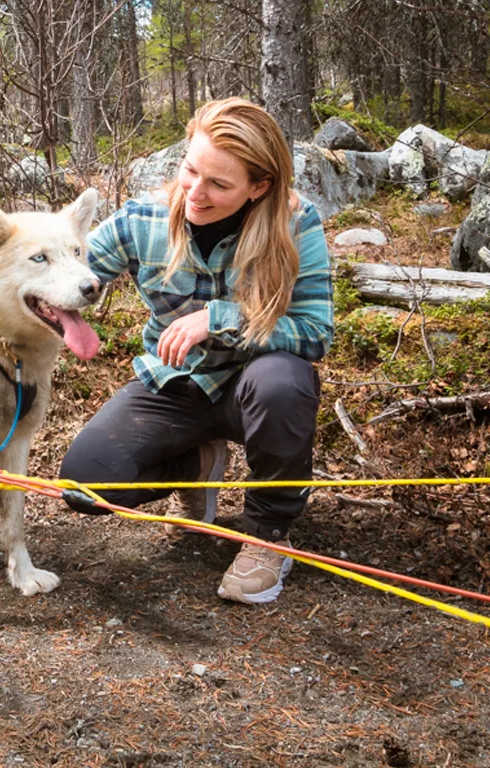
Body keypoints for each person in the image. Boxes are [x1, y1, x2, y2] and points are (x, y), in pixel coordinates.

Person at [59, 97, 333, 605]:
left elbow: (315, 332)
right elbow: (66, 275)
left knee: (282, 381)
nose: (196, 192)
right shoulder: (142, 218)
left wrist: (220, 319)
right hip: (173, 383)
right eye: (190, 170)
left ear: (260, 187)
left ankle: (267, 538)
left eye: (219, 184)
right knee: (85, 483)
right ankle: (197, 466)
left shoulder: (296, 224)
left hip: (255, 391)